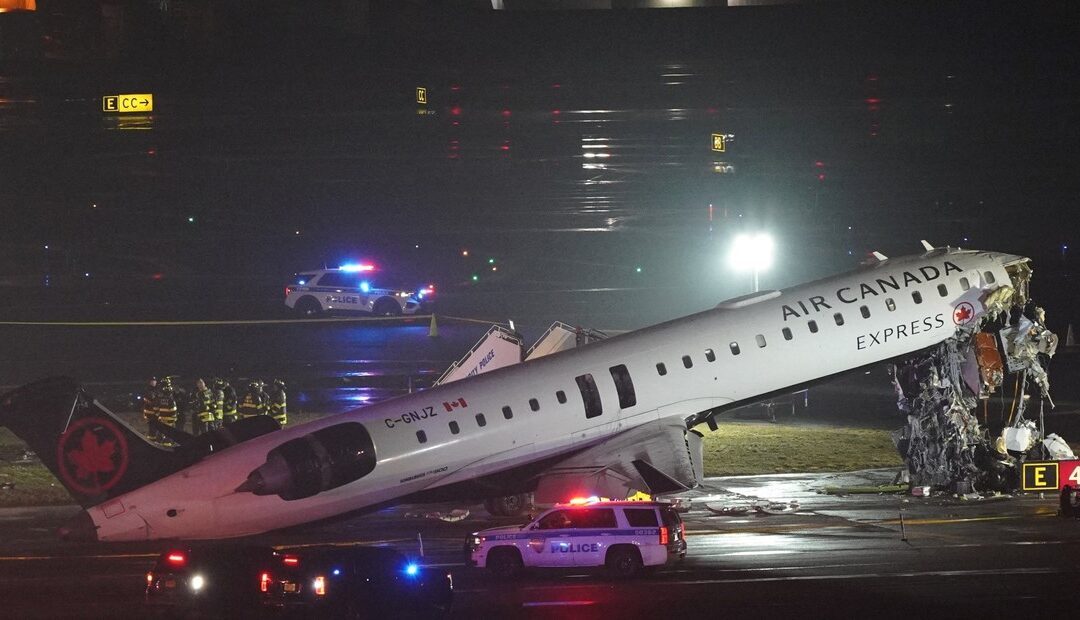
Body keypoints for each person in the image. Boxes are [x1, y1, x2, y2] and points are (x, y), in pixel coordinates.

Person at [153, 377, 179, 445]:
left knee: (160, 431)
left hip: (161, 418)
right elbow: (173, 409)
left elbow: (155, 408)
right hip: (170, 419)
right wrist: (174, 417)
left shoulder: (159, 397)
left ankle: (158, 443)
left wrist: (158, 415)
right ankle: (168, 444)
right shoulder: (171, 399)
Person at [142, 376, 160, 441]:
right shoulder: (147, 389)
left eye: (154, 381)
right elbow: (145, 399)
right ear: (150, 382)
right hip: (149, 411)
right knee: (151, 426)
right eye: (152, 381)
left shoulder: (158, 389)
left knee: (157, 426)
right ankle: (151, 439)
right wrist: (151, 403)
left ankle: (155, 438)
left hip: (157, 412)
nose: (153, 382)